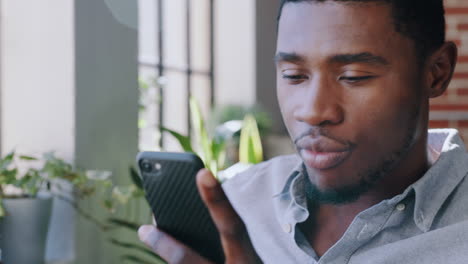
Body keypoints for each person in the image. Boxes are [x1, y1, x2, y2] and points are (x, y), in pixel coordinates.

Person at [138, 0, 468, 263]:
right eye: (294, 75)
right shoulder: (237, 203)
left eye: (353, 76)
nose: (312, 111)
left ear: (436, 73)